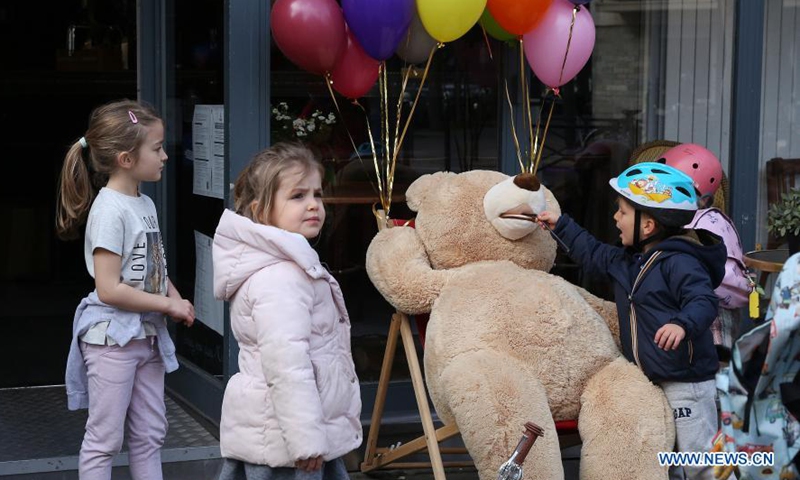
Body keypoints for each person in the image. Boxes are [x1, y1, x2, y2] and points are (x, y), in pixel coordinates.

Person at [538, 162, 726, 480]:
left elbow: (703, 300)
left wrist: (682, 324)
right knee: (670, 466)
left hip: (686, 384)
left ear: (648, 225)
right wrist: (560, 225)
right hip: (651, 383)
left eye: (622, 212)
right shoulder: (630, 262)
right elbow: (593, 252)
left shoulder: (680, 262)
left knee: (702, 465)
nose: (615, 218)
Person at [58, 99, 195, 480]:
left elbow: (154, 265)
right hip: (112, 341)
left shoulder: (144, 202)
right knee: (104, 440)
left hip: (147, 336)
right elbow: (108, 289)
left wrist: (174, 296)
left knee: (150, 435)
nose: (166, 155)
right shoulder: (109, 212)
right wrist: (167, 307)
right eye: (157, 148)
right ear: (125, 159)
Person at [212, 142, 361, 480]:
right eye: (297, 196)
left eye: (317, 195)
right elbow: (287, 365)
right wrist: (306, 442)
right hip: (290, 446)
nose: (313, 205)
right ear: (261, 211)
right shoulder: (280, 278)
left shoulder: (292, 266)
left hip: (291, 435)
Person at [657, 143, 752, 364]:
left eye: (678, 190)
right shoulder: (707, 218)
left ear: (703, 200)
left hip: (714, 310)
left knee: (710, 365)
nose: (668, 196)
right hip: (709, 303)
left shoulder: (703, 225)